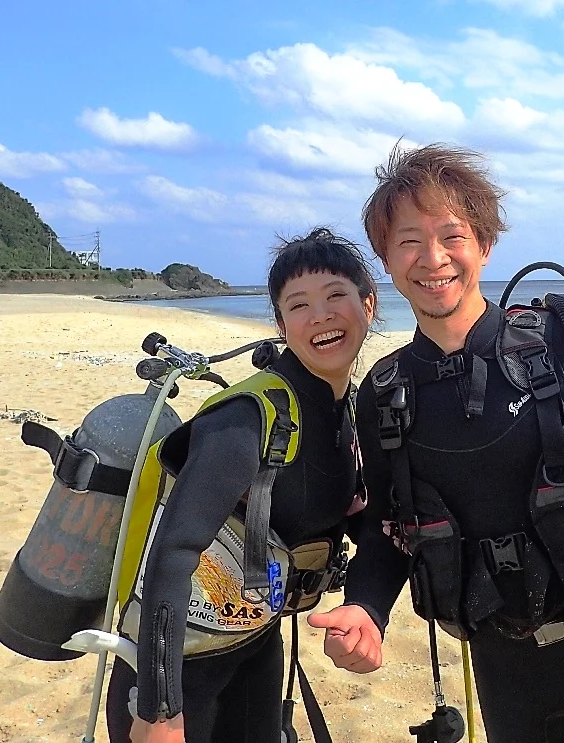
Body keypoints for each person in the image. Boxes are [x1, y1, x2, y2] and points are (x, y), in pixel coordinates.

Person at [309, 145, 564, 743]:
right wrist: (367, 608)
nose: (433, 259)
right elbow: (388, 527)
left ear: (483, 244)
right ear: (385, 258)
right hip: (499, 659)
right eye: (408, 242)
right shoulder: (384, 394)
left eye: (452, 235)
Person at [110, 227, 377, 743]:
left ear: (368, 304)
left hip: (256, 639)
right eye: (298, 305)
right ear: (280, 324)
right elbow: (174, 549)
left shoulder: (349, 411)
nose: (320, 314)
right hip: (179, 664)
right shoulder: (249, 418)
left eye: (336, 296)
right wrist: (160, 708)